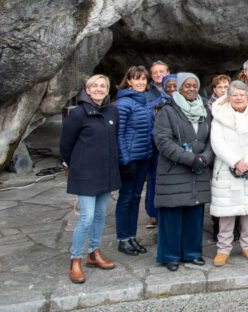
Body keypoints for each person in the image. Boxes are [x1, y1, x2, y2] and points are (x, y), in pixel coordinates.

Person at [60, 75, 120, 284]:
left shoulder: (113, 111)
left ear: (107, 90)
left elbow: (114, 139)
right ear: (87, 89)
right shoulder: (76, 114)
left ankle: (94, 253)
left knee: (101, 215)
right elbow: (65, 146)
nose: (98, 89)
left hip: (107, 171)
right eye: (94, 86)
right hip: (85, 174)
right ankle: (75, 258)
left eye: (102, 86)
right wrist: (76, 165)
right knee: (87, 217)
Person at [153, 73, 214, 271]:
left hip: (199, 169)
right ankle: (170, 255)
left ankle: (192, 252)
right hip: (175, 170)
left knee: (194, 214)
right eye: (186, 85)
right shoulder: (167, 111)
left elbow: (212, 139)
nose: (191, 89)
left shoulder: (205, 110)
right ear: (178, 88)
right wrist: (191, 159)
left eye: (194, 86)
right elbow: (163, 141)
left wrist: (205, 157)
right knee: (172, 215)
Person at [210, 81, 248, 266]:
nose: (238, 98)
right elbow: (217, 142)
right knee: (227, 211)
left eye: (242, 95)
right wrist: (235, 162)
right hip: (227, 168)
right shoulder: (219, 117)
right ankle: (223, 248)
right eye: (234, 94)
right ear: (228, 97)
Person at [114, 66, 153, 256]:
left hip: (144, 156)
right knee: (126, 197)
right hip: (130, 158)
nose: (140, 82)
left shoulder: (144, 101)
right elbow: (119, 134)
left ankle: (131, 236)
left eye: (144, 79)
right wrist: (125, 160)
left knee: (136, 196)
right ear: (128, 81)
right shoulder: (124, 103)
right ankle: (123, 238)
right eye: (136, 79)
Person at [145, 74, 177, 228]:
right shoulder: (155, 105)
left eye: (175, 86)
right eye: (168, 86)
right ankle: (155, 214)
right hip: (159, 149)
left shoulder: (185, 103)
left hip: (179, 149)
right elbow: (150, 127)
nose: (171, 89)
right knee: (156, 182)